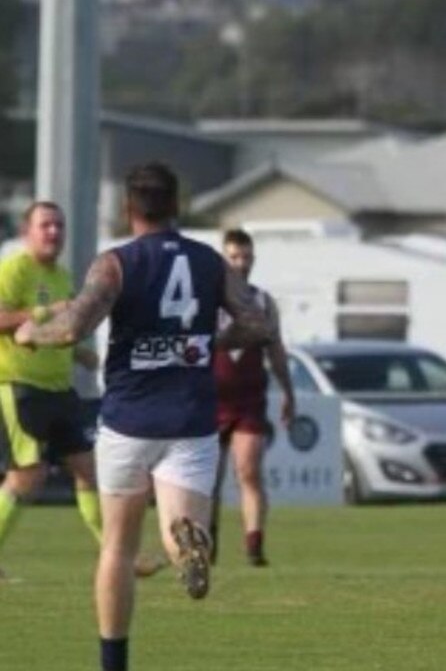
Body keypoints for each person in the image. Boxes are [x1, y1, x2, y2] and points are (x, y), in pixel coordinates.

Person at [15, 162, 272, 671]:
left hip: (128, 420)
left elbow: (73, 328)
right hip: (192, 421)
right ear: (176, 206)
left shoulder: (114, 264)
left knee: (117, 547)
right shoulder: (210, 263)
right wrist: (210, 340)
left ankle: (114, 663)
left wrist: (29, 334)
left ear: (128, 209)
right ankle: (186, 543)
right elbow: (256, 323)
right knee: (181, 523)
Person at [0, 202, 162, 579]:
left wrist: (82, 354)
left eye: (59, 225)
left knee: (88, 471)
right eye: (45, 225)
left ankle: (121, 555)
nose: (54, 232)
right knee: (28, 477)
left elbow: (62, 327)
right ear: (28, 231)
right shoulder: (13, 270)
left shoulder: (62, 276)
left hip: (59, 391)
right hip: (19, 388)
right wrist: (41, 313)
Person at [212, 229, 296, 567]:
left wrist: (288, 391)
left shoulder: (263, 302)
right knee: (208, 480)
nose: (241, 264)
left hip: (249, 399)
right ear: (224, 259)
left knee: (248, 471)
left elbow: (276, 351)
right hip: (210, 400)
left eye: (246, 257)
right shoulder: (209, 301)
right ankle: (208, 541)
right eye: (234, 257)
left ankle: (254, 545)